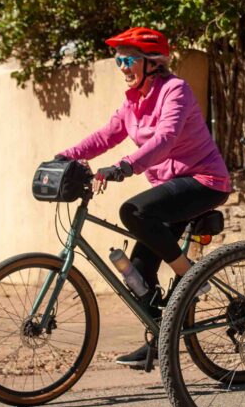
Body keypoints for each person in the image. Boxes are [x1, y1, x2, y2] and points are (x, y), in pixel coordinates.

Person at [56, 27, 231, 368]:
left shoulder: (174, 90)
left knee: (133, 211)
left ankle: (191, 276)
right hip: (169, 187)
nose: (122, 66)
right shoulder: (132, 101)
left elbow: (165, 139)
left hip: (203, 181)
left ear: (152, 63)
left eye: (129, 59)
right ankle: (158, 342)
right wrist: (64, 157)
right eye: (118, 59)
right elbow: (105, 136)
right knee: (138, 274)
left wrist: (124, 167)